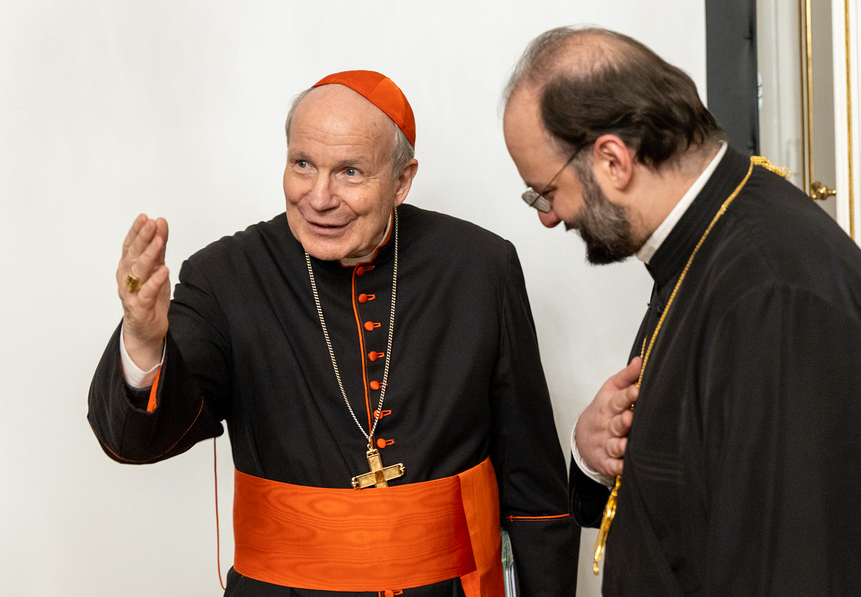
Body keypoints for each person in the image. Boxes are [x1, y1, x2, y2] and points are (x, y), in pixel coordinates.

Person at [501, 26, 861, 596]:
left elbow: (797, 568)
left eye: (544, 191)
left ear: (613, 161)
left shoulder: (771, 292)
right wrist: (593, 455)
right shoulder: (704, 242)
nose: (548, 216)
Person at [88, 70, 579, 597]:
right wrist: (144, 341)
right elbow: (133, 443)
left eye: (350, 172)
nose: (319, 198)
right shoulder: (225, 276)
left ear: (401, 180)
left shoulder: (479, 266)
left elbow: (535, 486)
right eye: (303, 164)